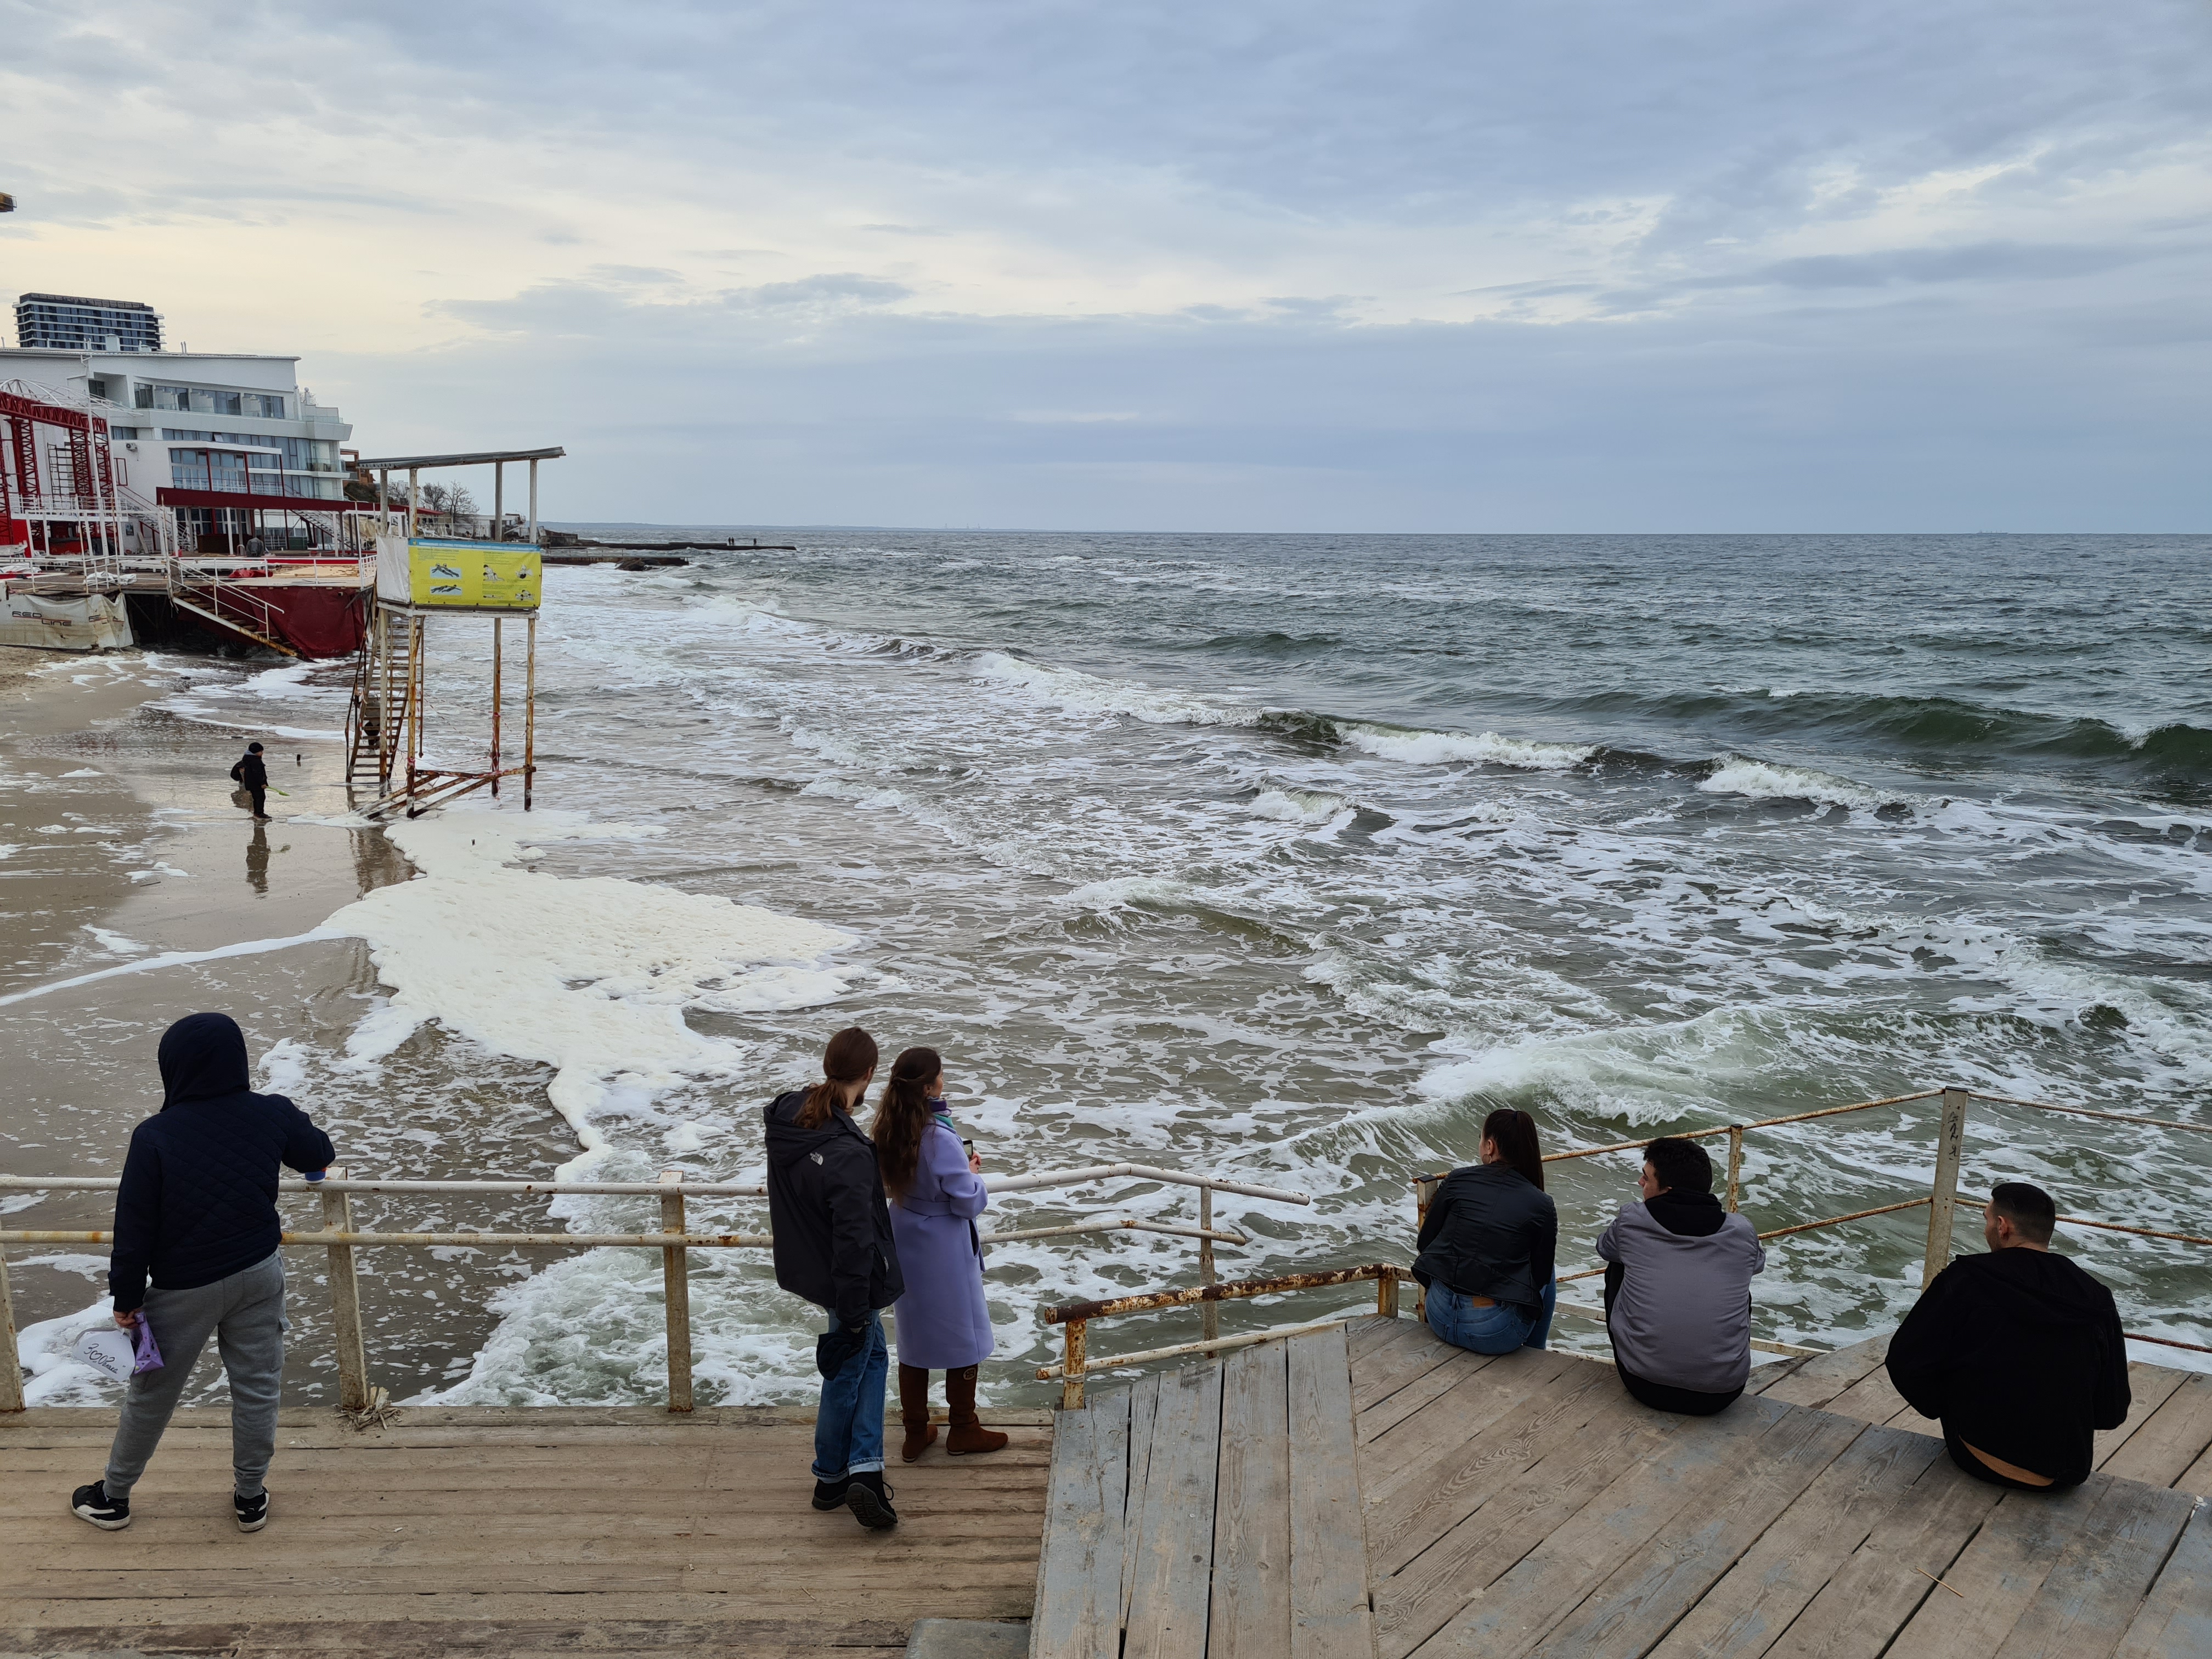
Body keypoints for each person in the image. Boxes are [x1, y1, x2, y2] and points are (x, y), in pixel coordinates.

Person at [71, 1013, 335, 1533]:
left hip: (184, 1286)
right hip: (258, 1272)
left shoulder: (155, 1136)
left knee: (152, 1395)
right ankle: (251, 1496)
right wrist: (311, 1169)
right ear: (237, 1060)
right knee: (258, 1386)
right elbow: (317, 1153)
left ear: (173, 1068)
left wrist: (126, 1298)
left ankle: (113, 1498)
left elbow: (135, 1227)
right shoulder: (271, 1113)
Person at [1887, 1181, 2129, 1492]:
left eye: (1987, 1220)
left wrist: (1946, 1404)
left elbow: (1904, 1361)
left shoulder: (1966, 1279)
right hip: (2065, 1473)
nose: (1986, 1228)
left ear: (2003, 1227)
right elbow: (2112, 1409)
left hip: (1982, 1456)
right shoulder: (2097, 1295)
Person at [765, 1028, 906, 1530]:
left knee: (870, 1357)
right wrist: (852, 1307)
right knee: (851, 1362)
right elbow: (854, 1241)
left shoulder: (788, 1117)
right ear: (869, 1075)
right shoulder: (846, 1152)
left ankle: (849, 1475)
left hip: (809, 1266)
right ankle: (841, 1475)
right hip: (847, 1280)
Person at [871, 1046, 1006, 1463]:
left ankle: (915, 1432)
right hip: (941, 1244)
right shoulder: (938, 1135)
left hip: (906, 1233)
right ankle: (963, 1428)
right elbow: (965, 1202)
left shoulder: (889, 1126)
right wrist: (974, 1175)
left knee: (914, 1338)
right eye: (941, 1076)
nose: (944, 1080)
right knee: (962, 1333)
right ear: (929, 1087)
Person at [1596, 1137, 1767, 1415]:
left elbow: (1605, 1247)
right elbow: (1757, 1264)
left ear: (1667, 1190)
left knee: (1618, 1265)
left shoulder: (1632, 1220)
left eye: (1647, 1177)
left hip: (1644, 1384)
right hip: (1722, 1393)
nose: (1641, 1183)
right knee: (1736, 1280)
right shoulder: (1742, 1230)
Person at [1413, 1108, 1558, 1354]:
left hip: (1439, 1314)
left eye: (1481, 1139)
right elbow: (1541, 1276)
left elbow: (1425, 1242)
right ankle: (1536, 1351)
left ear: (1490, 1147)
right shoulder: (1541, 1203)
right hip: (1493, 1332)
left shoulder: (1457, 1180)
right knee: (1548, 1269)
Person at [229, 741, 270, 821]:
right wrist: (263, 783)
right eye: (261, 752)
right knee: (260, 798)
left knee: (257, 798)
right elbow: (258, 774)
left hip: (251, 783)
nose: (262, 753)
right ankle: (259, 813)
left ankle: (258, 813)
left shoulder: (248, 759)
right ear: (255, 752)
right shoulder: (255, 761)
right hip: (256, 784)